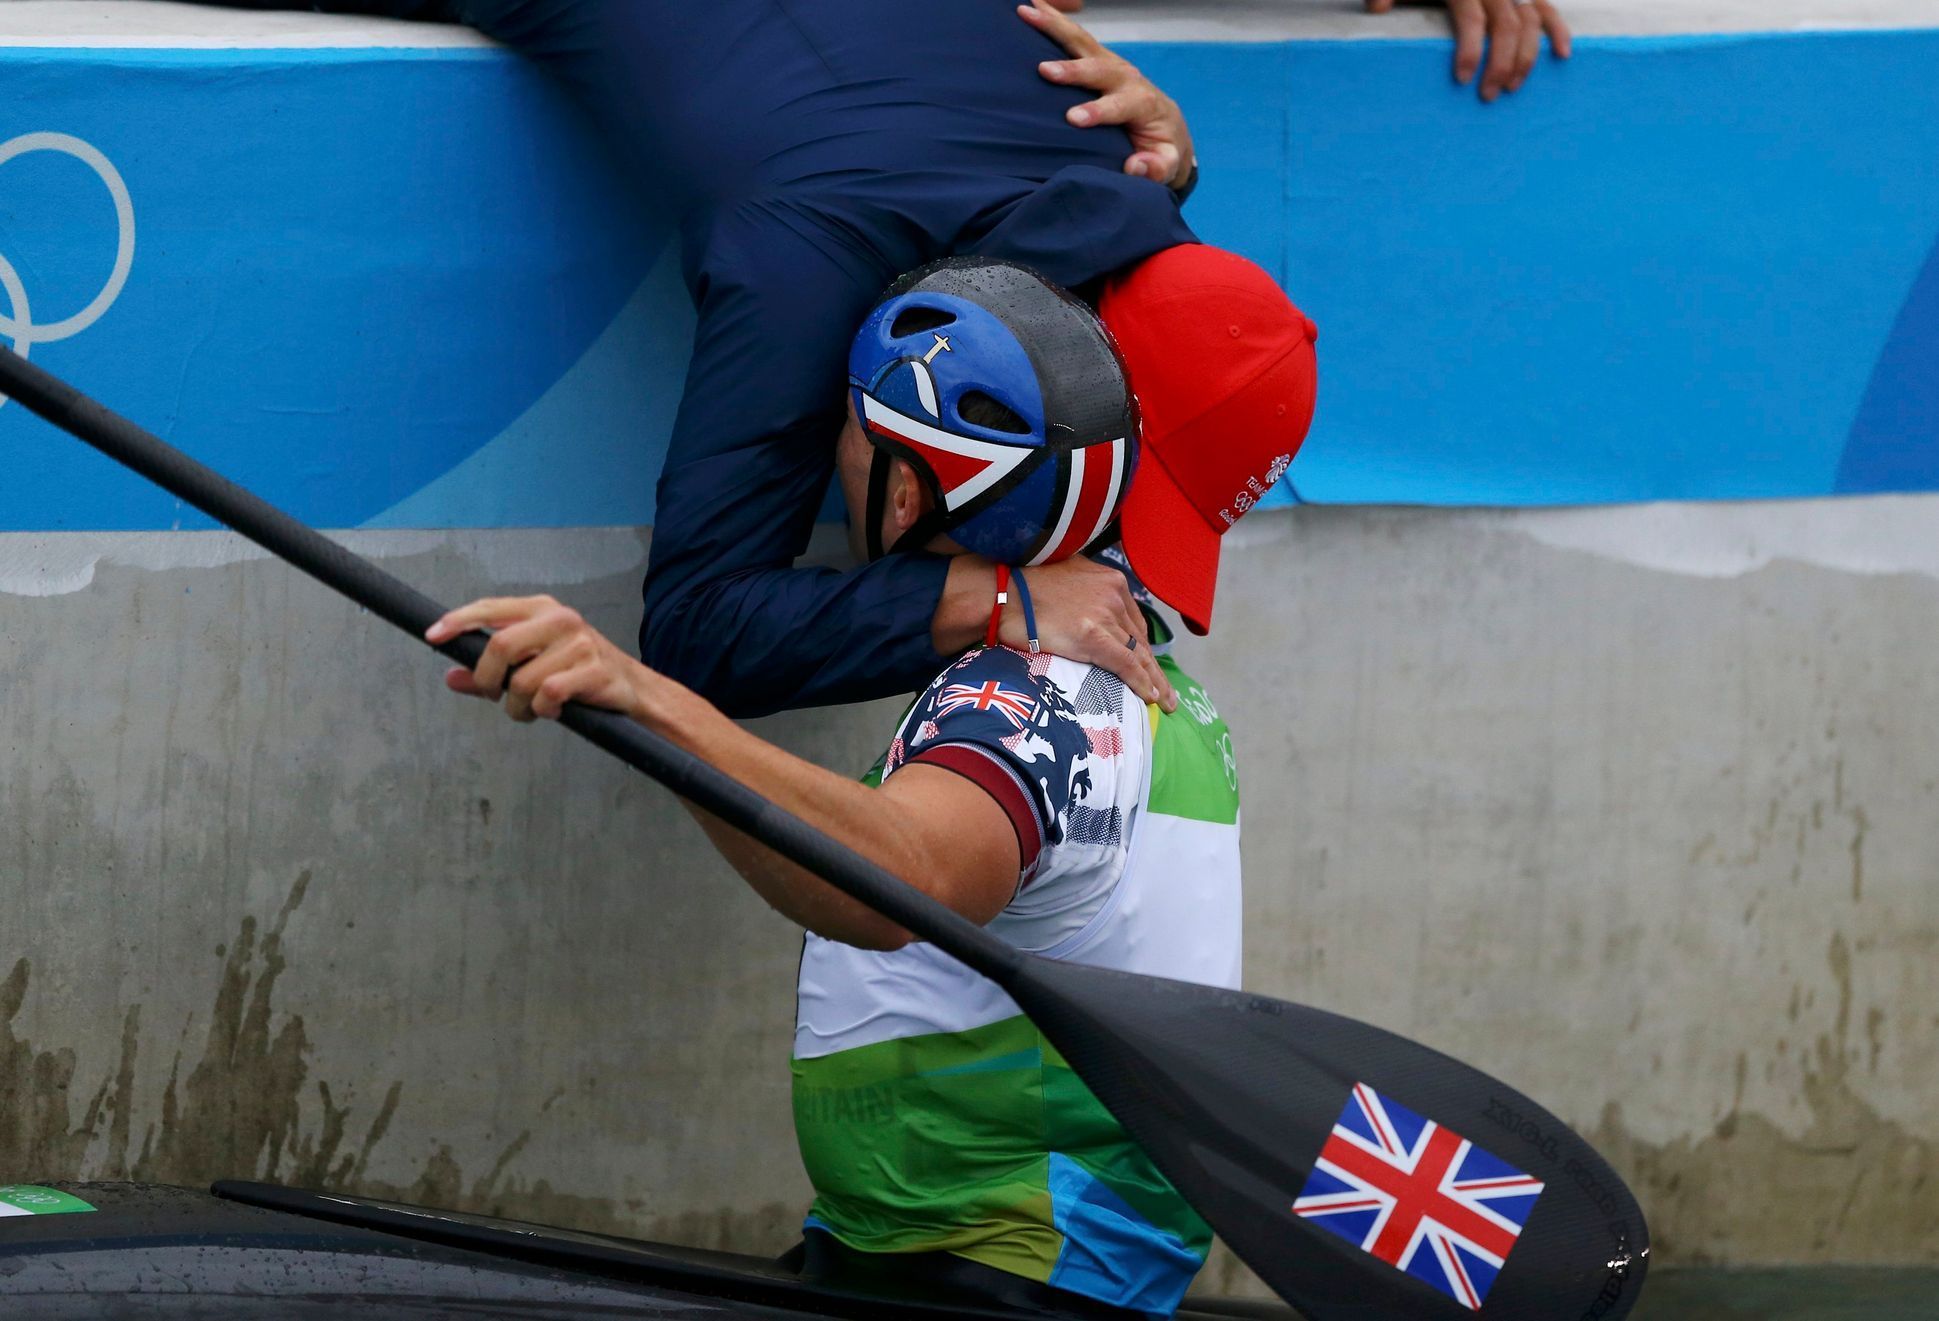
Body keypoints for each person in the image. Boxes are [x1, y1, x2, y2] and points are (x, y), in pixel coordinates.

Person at [422, 249, 1319, 1318]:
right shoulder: (1156, 689)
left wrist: (641, 699)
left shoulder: (1032, 698)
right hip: (964, 1255)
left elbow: (897, 878)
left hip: (998, 1267)